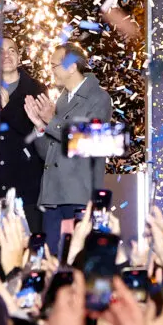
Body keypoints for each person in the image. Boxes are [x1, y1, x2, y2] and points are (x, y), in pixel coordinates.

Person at [24, 41, 112, 251]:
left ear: (72, 66)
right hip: (54, 196)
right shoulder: (62, 101)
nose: (51, 70)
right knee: (52, 259)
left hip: (79, 195)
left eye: (54, 65)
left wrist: (51, 121)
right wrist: (39, 127)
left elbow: (89, 141)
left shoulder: (98, 98)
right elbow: (48, 153)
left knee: (77, 259)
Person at [0, 38, 45, 235]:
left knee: (32, 249)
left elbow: (30, 130)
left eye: (12, 50)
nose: (6, 55)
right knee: (0, 247)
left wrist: (6, 106)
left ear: (19, 57)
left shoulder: (36, 88)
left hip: (28, 183)